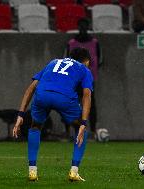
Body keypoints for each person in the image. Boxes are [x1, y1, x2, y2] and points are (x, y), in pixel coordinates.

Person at [12, 47, 93, 181]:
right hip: (64, 97)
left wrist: (21, 114)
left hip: (42, 95)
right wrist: (84, 122)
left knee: (35, 126)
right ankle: (74, 172)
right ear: (86, 61)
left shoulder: (53, 62)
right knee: (80, 129)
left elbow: (31, 87)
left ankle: (32, 171)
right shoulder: (84, 69)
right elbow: (86, 95)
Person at [66, 18, 101, 138]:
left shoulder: (94, 42)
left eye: (84, 26)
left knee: (91, 104)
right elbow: (66, 60)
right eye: (81, 26)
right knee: (72, 104)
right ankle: (71, 131)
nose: (83, 28)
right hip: (74, 80)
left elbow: (99, 60)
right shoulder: (71, 43)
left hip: (89, 79)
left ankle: (93, 130)